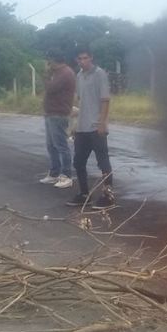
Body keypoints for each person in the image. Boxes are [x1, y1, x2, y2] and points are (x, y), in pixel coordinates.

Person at [66, 47, 116, 210]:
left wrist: (102, 122)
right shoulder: (79, 76)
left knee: (103, 162)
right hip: (82, 128)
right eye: (79, 59)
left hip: (96, 127)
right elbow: (80, 102)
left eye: (85, 58)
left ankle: (108, 196)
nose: (82, 61)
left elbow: (105, 100)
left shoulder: (99, 74)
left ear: (91, 58)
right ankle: (84, 194)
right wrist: (75, 125)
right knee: (79, 162)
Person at [39, 49, 76, 189]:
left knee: (61, 145)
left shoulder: (65, 73)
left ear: (54, 61)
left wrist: (47, 75)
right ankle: (54, 173)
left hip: (59, 114)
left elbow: (50, 88)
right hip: (51, 113)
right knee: (51, 145)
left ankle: (66, 175)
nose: (48, 64)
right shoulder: (57, 73)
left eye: (49, 61)